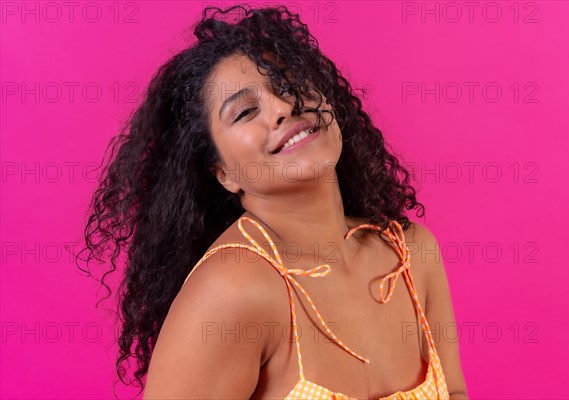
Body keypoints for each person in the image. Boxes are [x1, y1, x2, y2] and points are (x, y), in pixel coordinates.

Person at [77, 4, 468, 399]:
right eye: (246, 111)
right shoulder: (232, 291)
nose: (283, 108)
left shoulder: (412, 253)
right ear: (223, 173)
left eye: (287, 86)